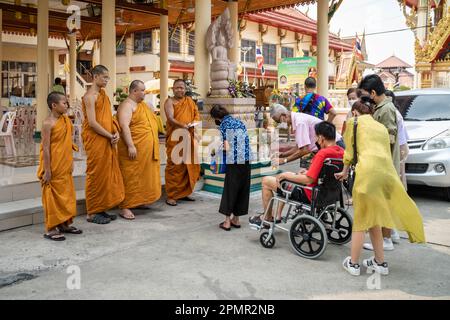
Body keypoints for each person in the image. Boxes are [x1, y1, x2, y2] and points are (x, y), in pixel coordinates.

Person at [335, 97, 425, 276]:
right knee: (374, 219)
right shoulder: (381, 127)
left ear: (354, 112)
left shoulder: (354, 122)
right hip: (386, 174)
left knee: (360, 220)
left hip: (367, 174)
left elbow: (349, 153)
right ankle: (380, 263)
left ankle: (353, 264)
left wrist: (344, 171)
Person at [249, 121, 344, 227]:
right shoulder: (341, 151)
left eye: (317, 137)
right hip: (331, 193)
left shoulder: (322, 153)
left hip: (309, 193)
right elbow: (326, 172)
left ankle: (267, 218)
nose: (317, 140)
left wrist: (285, 175)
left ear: (321, 138)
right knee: (290, 175)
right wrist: (307, 172)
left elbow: (309, 180)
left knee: (266, 181)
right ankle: (278, 215)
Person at [358, 74, 400, 251]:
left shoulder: (386, 109)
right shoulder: (381, 107)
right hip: (382, 163)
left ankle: (387, 239)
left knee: (382, 202)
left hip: (384, 164)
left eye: (366, 95)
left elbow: (389, 138)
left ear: (373, 93)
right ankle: (390, 234)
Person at [82, 65, 125, 224]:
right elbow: (92, 123)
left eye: (108, 77)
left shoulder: (104, 95)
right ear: (95, 76)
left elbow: (109, 117)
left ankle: (101, 208)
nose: (107, 80)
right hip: (96, 140)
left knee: (105, 174)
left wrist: (115, 132)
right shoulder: (90, 96)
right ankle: (92, 212)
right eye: (105, 77)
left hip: (107, 138)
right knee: (95, 174)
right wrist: (109, 135)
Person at [38, 92, 82, 241]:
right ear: (54, 105)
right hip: (53, 165)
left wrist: (71, 162)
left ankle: (64, 224)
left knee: (67, 194)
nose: (67, 105)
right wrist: (48, 170)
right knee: (52, 196)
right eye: (64, 103)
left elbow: (67, 144)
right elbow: (46, 148)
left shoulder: (65, 121)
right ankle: (51, 228)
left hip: (64, 164)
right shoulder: (47, 123)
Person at [116, 80, 161, 220]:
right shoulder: (126, 105)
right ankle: (126, 206)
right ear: (134, 91)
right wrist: (130, 145)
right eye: (142, 90)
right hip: (133, 149)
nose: (144, 93)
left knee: (143, 176)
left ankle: (138, 201)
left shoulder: (143, 106)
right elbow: (124, 126)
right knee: (130, 177)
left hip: (146, 151)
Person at [210, 105, 251, 231]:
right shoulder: (239, 121)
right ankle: (236, 220)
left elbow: (227, 146)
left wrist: (216, 151)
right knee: (242, 189)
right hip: (246, 158)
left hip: (233, 161)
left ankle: (227, 222)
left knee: (230, 189)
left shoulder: (223, 125)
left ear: (216, 117)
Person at [269, 104, 344, 166]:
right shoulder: (297, 119)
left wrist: (284, 160)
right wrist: (282, 155)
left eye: (278, 121)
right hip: (330, 147)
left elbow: (304, 150)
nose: (279, 124)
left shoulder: (299, 122)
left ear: (284, 115)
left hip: (335, 147)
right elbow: (299, 147)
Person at [164, 79, 200, 206]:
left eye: (182, 88)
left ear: (185, 89)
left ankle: (183, 193)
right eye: (177, 87)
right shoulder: (169, 101)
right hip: (175, 138)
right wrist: (183, 125)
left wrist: (193, 124)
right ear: (173, 89)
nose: (180, 90)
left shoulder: (189, 101)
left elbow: (196, 115)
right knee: (175, 166)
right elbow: (170, 118)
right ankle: (172, 195)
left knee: (187, 166)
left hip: (188, 136)